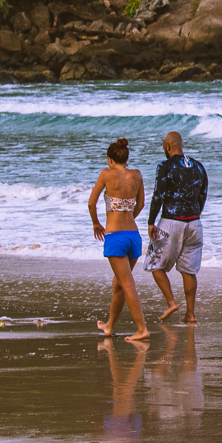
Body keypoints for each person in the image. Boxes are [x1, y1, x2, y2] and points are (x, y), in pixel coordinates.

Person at [88, 137, 151, 343]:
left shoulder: (106, 174)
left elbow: (91, 203)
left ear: (110, 160)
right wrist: (129, 218)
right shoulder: (137, 175)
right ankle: (109, 326)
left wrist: (97, 223)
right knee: (119, 284)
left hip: (115, 236)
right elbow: (140, 205)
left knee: (126, 283)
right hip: (134, 236)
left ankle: (142, 329)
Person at [145, 130, 208, 324]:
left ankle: (171, 302)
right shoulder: (198, 166)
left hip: (171, 221)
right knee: (189, 271)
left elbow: (158, 195)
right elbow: (202, 195)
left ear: (167, 146)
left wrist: (151, 221)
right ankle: (190, 314)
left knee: (154, 263)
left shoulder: (165, 166)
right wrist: (195, 215)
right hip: (195, 223)